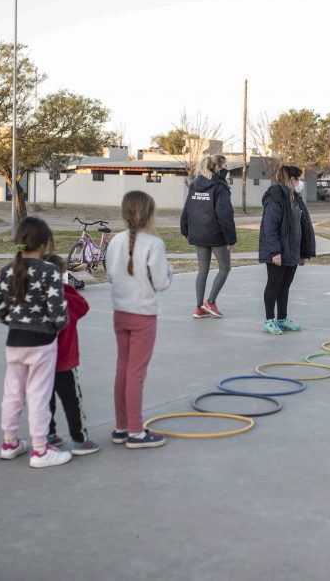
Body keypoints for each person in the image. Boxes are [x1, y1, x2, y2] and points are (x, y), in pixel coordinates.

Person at [0, 217, 71, 468]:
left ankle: (9, 442)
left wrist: (15, 322)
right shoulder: (50, 271)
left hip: (14, 341)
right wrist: (56, 327)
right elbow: (58, 312)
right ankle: (40, 449)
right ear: (46, 242)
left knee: (12, 393)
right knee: (38, 395)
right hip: (42, 342)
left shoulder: (7, 271)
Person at [106, 191, 174, 448]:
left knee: (123, 369)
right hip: (143, 315)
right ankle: (135, 431)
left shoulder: (114, 242)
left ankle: (121, 427)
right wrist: (170, 271)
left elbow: (112, 275)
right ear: (150, 215)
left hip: (120, 313)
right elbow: (161, 282)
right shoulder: (154, 244)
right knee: (136, 373)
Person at [42, 254, 100, 456]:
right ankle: (80, 439)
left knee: (45, 400)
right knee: (72, 401)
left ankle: (47, 435)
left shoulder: (38, 299)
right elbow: (83, 307)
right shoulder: (66, 298)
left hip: (42, 361)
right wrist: (66, 288)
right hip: (65, 362)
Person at [258, 165, 316, 335]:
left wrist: (302, 253)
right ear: (291, 179)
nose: (301, 182)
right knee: (274, 284)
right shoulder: (275, 197)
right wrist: (275, 251)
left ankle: (282, 319)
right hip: (278, 252)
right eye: (299, 179)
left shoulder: (295, 198)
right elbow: (270, 226)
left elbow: (301, 226)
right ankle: (269, 320)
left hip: (292, 251)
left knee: (285, 286)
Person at [181, 154, 237, 319]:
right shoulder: (220, 186)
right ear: (219, 167)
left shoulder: (195, 184)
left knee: (202, 269)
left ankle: (199, 308)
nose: (228, 168)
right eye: (226, 165)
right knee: (225, 268)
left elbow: (187, 209)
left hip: (198, 233)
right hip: (216, 234)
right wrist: (230, 238)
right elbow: (225, 215)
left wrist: (185, 230)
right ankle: (210, 302)